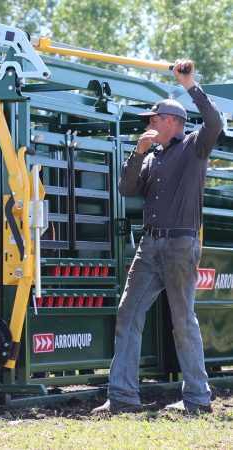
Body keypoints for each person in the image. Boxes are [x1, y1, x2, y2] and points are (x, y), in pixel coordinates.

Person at [92, 60, 223, 414]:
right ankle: (122, 397)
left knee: (182, 321)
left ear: (172, 122)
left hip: (181, 245)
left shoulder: (195, 146)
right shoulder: (151, 158)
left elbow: (215, 122)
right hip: (149, 245)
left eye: (152, 119)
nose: (148, 124)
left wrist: (190, 83)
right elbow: (126, 188)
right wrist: (136, 154)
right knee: (128, 313)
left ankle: (197, 400)